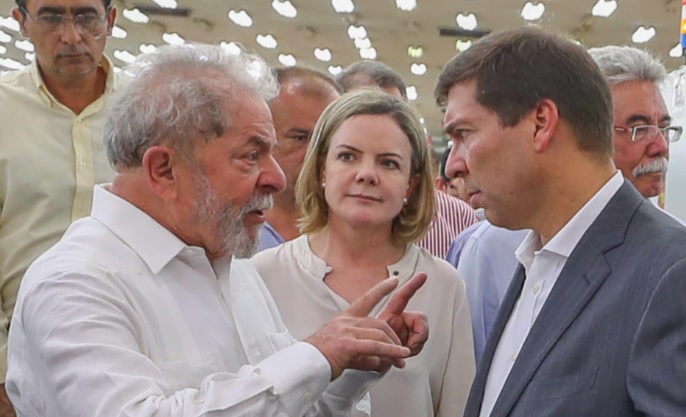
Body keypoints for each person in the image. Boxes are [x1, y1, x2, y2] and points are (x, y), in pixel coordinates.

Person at [6, 44, 431, 417]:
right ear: (164, 169)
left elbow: (282, 405)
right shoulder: (75, 283)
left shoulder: (228, 264)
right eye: (250, 156)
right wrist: (314, 355)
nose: (278, 178)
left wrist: (345, 365)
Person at [436, 27, 686, 417]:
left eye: (464, 134)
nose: (454, 164)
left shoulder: (671, 273)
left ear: (541, 123)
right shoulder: (535, 259)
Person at [252, 89, 475, 417]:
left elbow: (457, 407)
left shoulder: (443, 285)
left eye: (388, 163)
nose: (366, 174)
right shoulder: (262, 275)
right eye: (347, 156)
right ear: (322, 170)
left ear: (410, 186)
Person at [0, 0, 117, 412]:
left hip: (124, 353)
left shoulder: (146, 113)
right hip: (16, 352)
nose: (71, 36)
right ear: (22, 24)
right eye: (51, 17)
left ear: (111, 20)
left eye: (86, 16)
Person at [336, 60, 479, 257]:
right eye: (348, 156)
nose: (383, 124)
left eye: (395, 114)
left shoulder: (457, 217)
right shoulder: (291, 244)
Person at [258, 66, 341, 251]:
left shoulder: (354, 234)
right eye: (300, 138)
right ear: (262, 138)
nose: (316, 153)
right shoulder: (225, 231)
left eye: (328, 140)